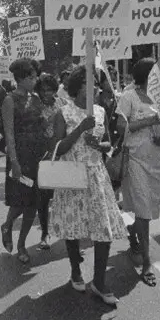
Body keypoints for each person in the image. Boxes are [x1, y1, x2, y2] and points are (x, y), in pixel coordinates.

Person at [49, 66, 127, 305]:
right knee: (74, 228)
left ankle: (100, 282)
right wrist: (80, 130)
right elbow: (57, 149)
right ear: (78, 86)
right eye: (90, 82)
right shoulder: (64, 112)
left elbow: (109, 146)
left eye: (96, 82)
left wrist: (99, 145)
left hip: (97, 176)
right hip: (72, 176)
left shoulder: (101, 111)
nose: (95, 86)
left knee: (104, 230)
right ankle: (75, 269)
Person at [118, 58, 160, 287]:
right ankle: (147, 262)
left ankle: (133, 230)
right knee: (143, 209)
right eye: (155, 72)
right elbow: (121, 127)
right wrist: (149, 120)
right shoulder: (128, 97)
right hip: (136, 160)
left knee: (148, 209)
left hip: (158, 161)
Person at [0, 58, 46, 264]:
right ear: (20, 79)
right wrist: (14, 162)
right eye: (31, 77)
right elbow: (9, 133)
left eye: (35, 76)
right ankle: (7, 224)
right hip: (20, 158)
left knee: (33, 204)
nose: (35, 80)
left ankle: (21, 244)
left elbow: (43, 123)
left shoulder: (37, 99)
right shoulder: (9, 100)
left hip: (37, 158)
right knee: (19, 202)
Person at [35, 72, 67, 250]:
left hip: (62, 154)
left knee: (63, 195)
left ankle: (66, 230)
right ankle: (44, 233)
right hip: (43, 156)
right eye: (43, 90)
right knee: (44, 198)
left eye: (50, 90)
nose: (47, 93)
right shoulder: (35, 106)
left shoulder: (63, 103)